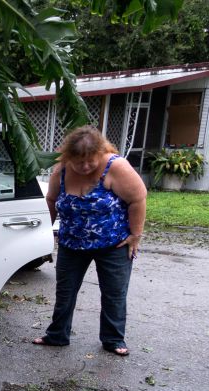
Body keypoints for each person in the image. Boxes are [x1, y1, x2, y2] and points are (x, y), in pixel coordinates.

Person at [32, 126, 147, 356]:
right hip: (72, 243)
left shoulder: (116, 166)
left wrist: (135, 234)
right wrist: (44, 233)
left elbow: (138, 198)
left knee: (114, 293)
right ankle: (57, 335)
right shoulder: (62, 169)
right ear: (68, 157)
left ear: (100, 153)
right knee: (65, 292)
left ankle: (113, 339)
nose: (85, 167)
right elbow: (52, 199)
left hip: (113, 243)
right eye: (79, 162)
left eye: (90, 161)